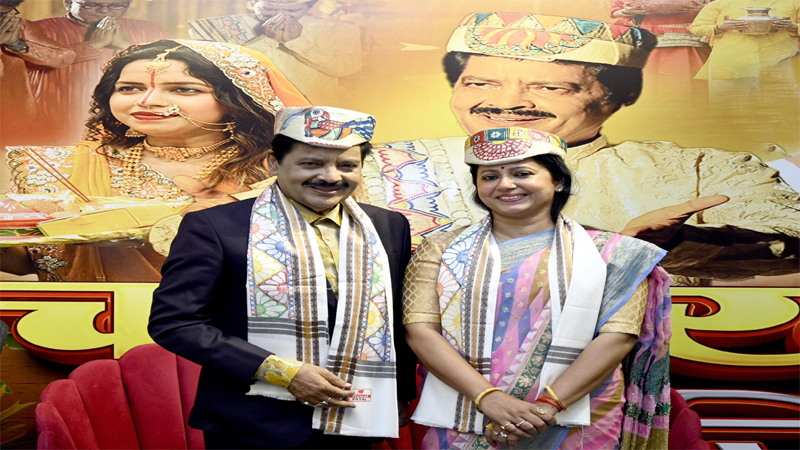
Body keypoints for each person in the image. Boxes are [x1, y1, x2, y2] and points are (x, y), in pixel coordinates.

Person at [363, 12, 800, 284]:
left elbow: (788, 240)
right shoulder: (369, 166)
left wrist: (671, 244)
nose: (508, 103)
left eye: (548, 87)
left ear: (619, 96)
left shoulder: (703, 169)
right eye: (479, 83)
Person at [148, 106, 415, 449]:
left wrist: (399, 393)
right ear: (273, 163)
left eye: (347, 165)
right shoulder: (215, 227)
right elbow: (175, 323)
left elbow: (397, 319)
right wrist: (283, 373)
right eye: (311, 163)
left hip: (354, 415)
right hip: (253, 424)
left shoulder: (387, 226)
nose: (331, 176)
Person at [403, 127, 671, 449]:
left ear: (558, 181)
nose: (505, 184)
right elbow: (420, 331)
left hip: (578, 414)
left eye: (522, 173)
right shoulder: (441, 248)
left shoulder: (616, 253)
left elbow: (618, 337)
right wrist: (489, 398)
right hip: (467, 408)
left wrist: (547, 407)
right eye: (490, 177)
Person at [4, 39, 310, 282]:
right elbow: (28, 259)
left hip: (228, 332)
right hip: (80, 325)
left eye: (183, 89)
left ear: (236, 100)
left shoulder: (279, 172)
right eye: (129, 88)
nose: (147, 101)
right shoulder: (56, 165)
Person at [29, 0, 169, 144]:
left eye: (116, 5)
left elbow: (169, 71)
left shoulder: (150, 30)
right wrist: (92, 45)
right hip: (57, 122)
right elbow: (28, 64)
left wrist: (126, 45)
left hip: (129, 126)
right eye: (92, 5)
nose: (104, 11)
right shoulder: (39, 29)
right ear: (69, 3)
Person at [188, 0, 362, 105]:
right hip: (248, 108)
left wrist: (296, 42)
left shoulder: (339, 30)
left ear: (309, 6)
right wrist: (267, 40)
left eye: (293, 11)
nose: (281, 15)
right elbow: (215, 70)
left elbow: (345, 68)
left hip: (313, 108)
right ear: (252, 3)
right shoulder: (216, 28)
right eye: (269, 10)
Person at [0, 0, 75, 151]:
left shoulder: (18, 26)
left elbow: (65, 57)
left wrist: (16, 43)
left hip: (14, 119)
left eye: (3, 14)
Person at [689, 0, 800, 101]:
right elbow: (696, 27)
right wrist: (721, 27)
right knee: (726, 111)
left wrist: (793, 27)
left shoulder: (794, 3)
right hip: (730, 64)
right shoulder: (721, 3)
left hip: (778, 64)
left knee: (779, 110)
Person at [611, 0, 711, 101]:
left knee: (689, 88)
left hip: (691, 41)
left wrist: (708, 9)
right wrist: (627, 11)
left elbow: (718, 9)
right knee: (650, 88)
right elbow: (616, 10)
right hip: (650, 40)